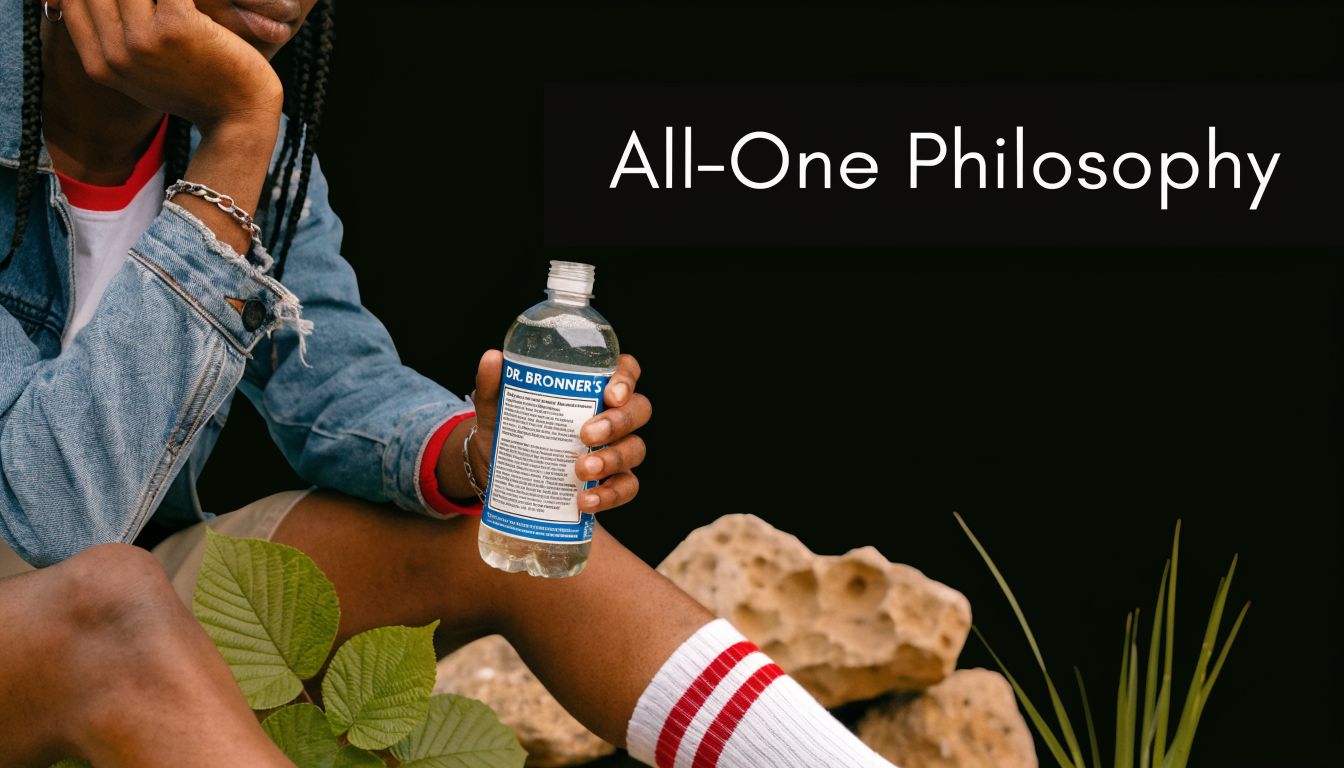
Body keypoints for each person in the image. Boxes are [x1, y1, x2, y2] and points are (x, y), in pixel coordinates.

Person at [0, 2, 897, 767]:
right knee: (110, 605)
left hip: (95, 604)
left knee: (498, 526)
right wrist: (239, 133)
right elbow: (49, 517)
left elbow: (333, 381)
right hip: (70, 608)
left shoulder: (241, 139)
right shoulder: (240, 126)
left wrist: (478, 450)